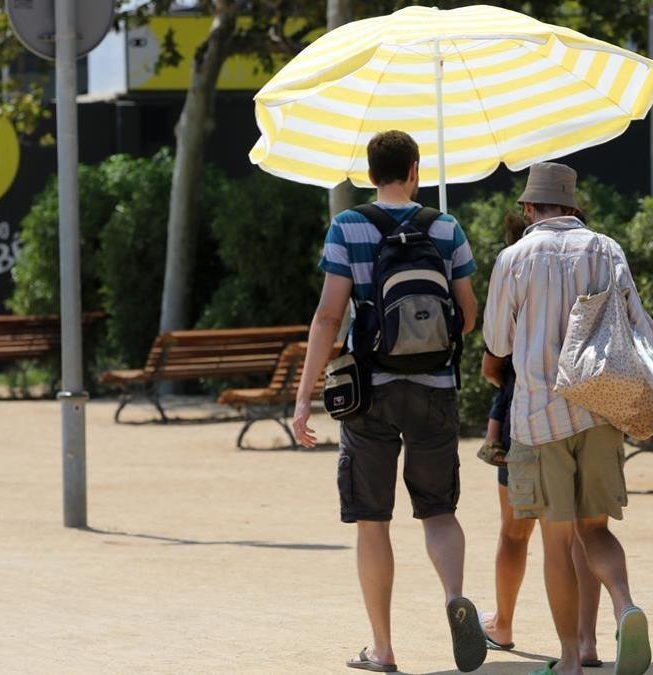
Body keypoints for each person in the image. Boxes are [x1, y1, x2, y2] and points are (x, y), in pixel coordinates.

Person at [291, 130, 485, 673]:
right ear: (416, 169)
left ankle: (383, 647)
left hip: (368, 393)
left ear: (369, 173)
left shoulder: (347, 226)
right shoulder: (446, 227)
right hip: (436, 389)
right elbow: (469, 316)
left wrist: (305, 398)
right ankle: (454, 599)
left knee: (372, 521)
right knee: (439, 511)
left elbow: (329, 316)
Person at [482, 162, 653, 675]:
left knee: (557, 541)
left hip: (538, 417)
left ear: (529, 209)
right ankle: (625, 605)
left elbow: (497, 343)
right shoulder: (607, 249)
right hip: (600, 410)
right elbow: (640, 326)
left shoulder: (513, 258)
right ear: (573, 206)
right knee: (595, 530)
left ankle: (568, 661)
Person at [477, 212, 607, 668]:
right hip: (588, 412)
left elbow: (492, 364)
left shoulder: (513, 267)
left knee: (517, 533)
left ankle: (505, 623)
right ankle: (585, 641)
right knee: (585, 534)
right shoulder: (596, 260)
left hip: (527, 418)